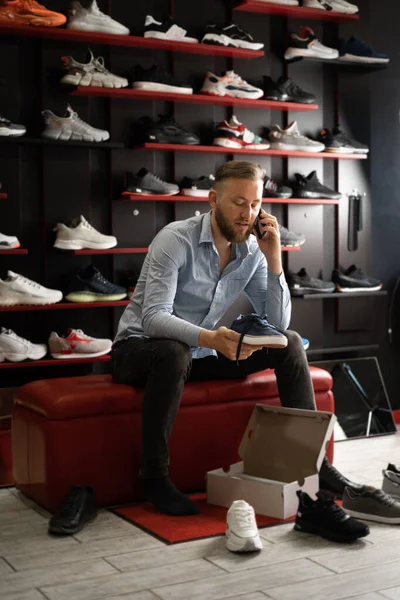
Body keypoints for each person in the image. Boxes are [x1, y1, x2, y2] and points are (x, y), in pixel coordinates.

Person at [111, 160, 361, 516]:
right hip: (138, 352)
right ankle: (153, 477)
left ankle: (314, 464)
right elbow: (153, 319)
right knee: (174, 351)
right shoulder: (174, 239)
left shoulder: (253, 251)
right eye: (238, 202)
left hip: (197, 355)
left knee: (288, 341)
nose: (248, 213)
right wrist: (212, 340)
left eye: (256, 203)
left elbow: (277, 322)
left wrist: (274, 258)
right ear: (213, 199)